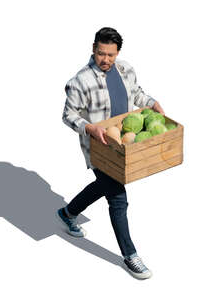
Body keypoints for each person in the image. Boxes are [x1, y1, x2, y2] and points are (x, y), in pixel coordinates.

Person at [56, 27, 164, 280]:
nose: (106, 60)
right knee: (117, 198)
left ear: (118, 53)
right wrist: (89, 128)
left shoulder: (125, 69)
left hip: (123, 144)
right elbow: (68, 115)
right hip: (99, 149)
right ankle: (130, 256)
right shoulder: (80, 81)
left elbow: (135, 93)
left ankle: (67, 213)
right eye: (101, 53)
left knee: (103, 186)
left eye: (111, 55)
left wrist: (151, 103)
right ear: (93, 48)